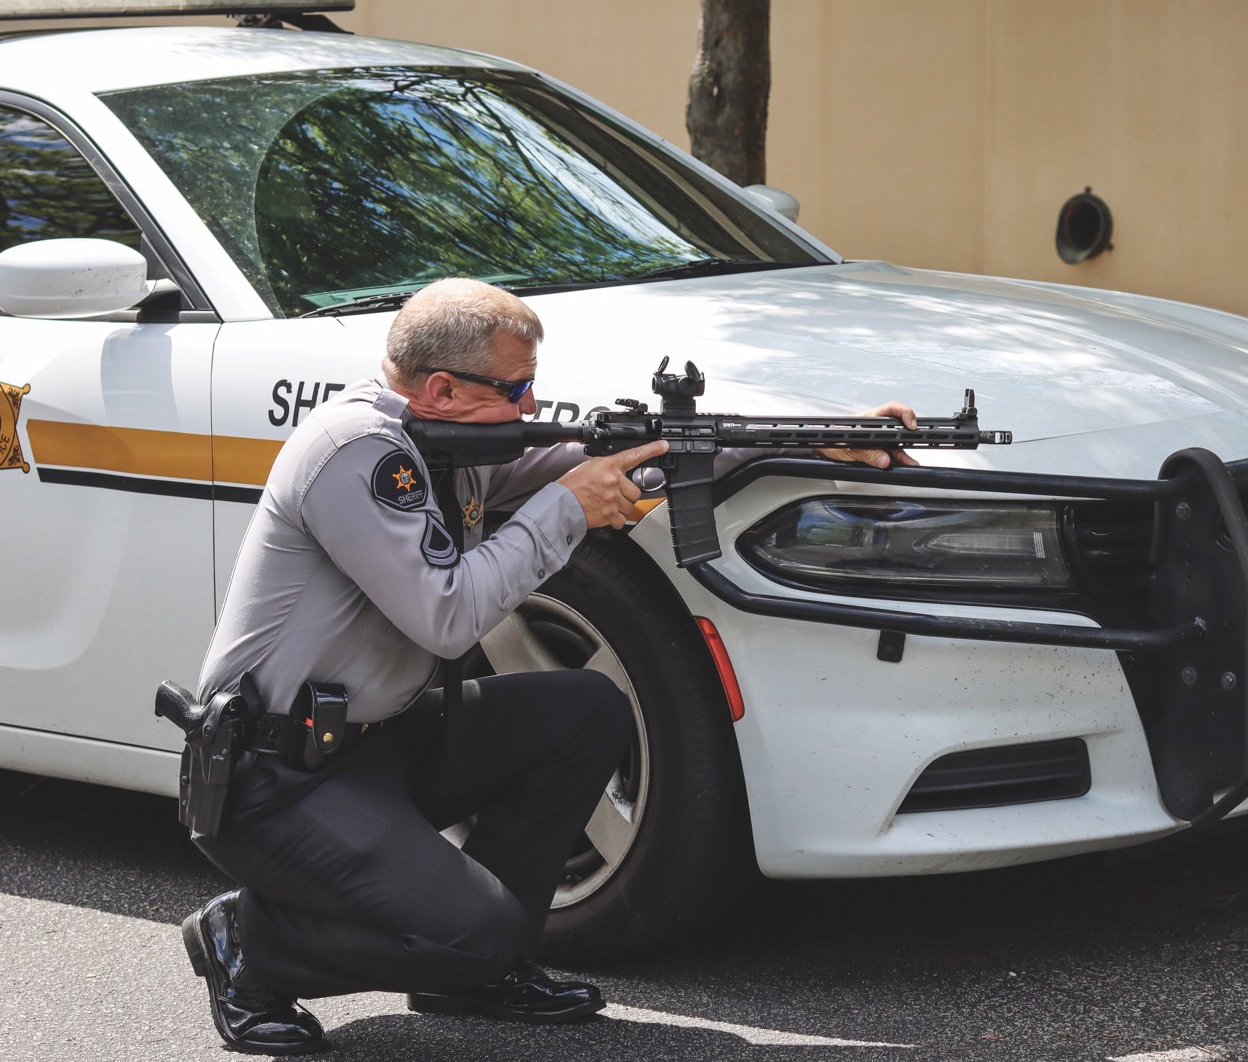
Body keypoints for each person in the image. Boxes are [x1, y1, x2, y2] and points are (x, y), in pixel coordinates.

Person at [178, 277, 917, 1054]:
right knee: (481, 931)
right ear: (443, 387)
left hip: (367, 747)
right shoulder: (359, 456)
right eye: (519, 387)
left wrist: (808, 435)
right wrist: (567, 507)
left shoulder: (447, 435)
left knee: (582, 710)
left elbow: (615, 459)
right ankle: (250, 947)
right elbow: (448, 616)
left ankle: (471, 971)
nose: (532, 406)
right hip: (274, 781)